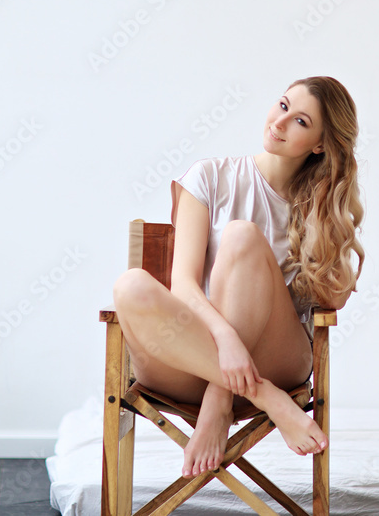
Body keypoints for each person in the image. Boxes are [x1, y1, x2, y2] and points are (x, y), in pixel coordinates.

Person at [112, 76, 364, 477]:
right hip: (192, 360)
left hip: (273, 357)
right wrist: (226, 340)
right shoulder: (210, 176)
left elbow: (333, 300)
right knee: (130, 285)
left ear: (320, 144)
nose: (279, 123)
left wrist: (330, 215)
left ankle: (219, 399)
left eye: (300, 121)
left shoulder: (317, 205)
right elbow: (184, 286)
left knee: (241, 235)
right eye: (282, 106)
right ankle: (265, 398)